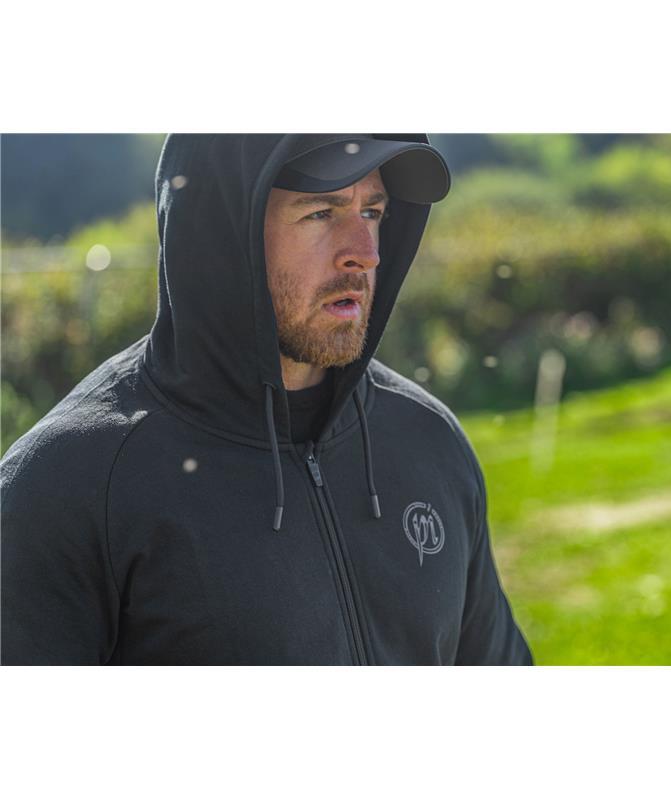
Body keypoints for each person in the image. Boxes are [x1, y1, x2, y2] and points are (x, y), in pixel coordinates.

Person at [1, 134, 533, 665]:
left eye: (372, 212)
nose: (365, 253)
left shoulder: (429, 440)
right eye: (321, 213)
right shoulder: (68, 486)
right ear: (223, 233)